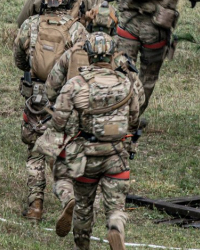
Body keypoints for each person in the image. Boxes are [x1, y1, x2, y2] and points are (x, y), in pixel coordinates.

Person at [50, 32, 143, 250]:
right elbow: (135, 119)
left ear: (89, 56)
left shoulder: (76, 84)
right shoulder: (126, 83)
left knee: (82, 206)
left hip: (86, 159)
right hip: (116, 157)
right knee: (116, 206)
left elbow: (58, 120)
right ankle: (115, 227)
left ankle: (81, 245)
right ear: (112, 56)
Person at [13, 0, 86, 221]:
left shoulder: (30, 24)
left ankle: (35, 206)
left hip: (36, 97)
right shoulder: (78, 30)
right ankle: (68, 197)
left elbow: (19, 60)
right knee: (62, 151)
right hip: (64, 100)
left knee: (35, 152)